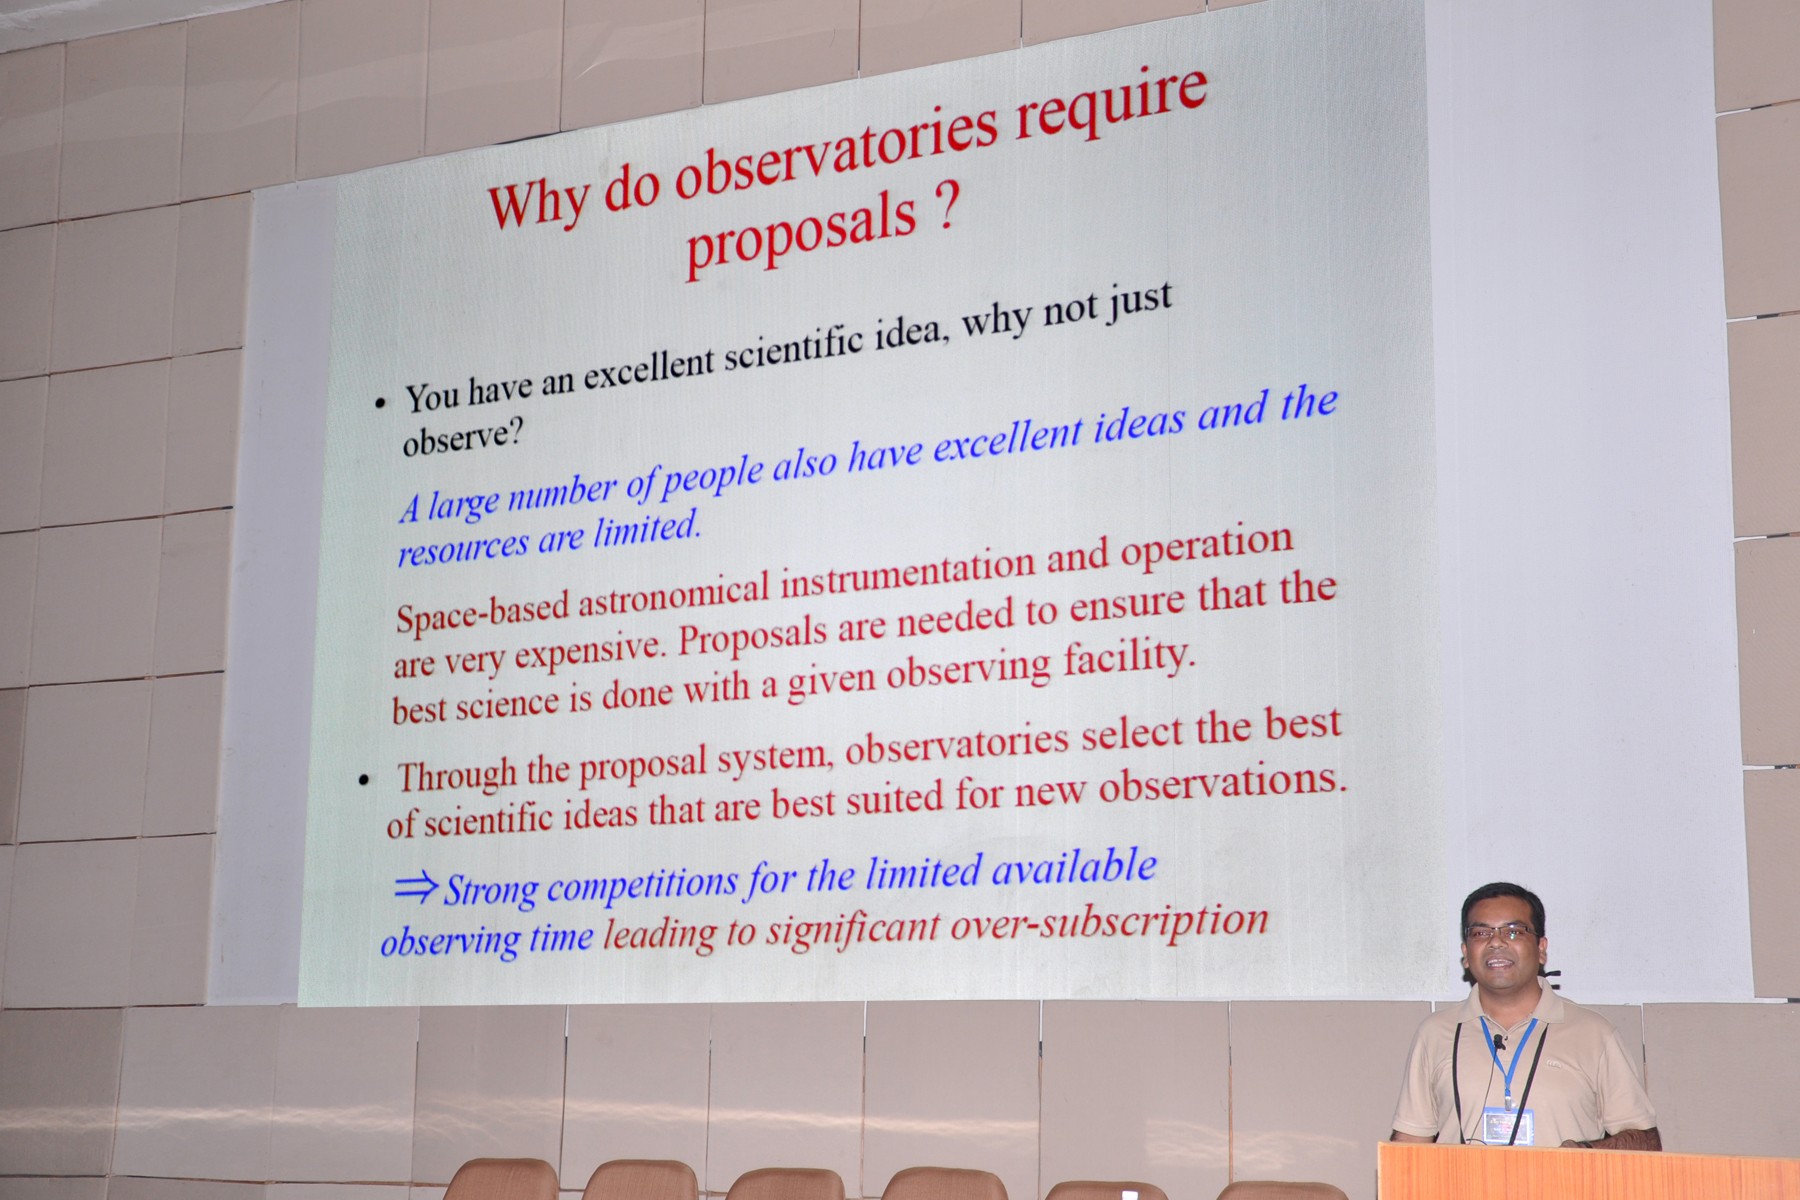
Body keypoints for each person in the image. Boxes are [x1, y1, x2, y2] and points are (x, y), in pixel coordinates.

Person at [1389, 881, 1661, 1150]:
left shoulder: (1594, 1033)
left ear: (1541, 949)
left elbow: (1645, 1141)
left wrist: (1583, 1153)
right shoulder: (1435, 1033)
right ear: (1466, 954)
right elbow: (1408, 1147)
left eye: (1513, 932)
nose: (1496, 942)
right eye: (1481, 933)